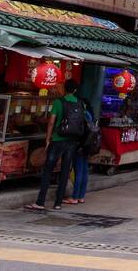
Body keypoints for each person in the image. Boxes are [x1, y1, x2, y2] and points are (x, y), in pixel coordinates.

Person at [26, 79, 84, 211]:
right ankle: (58, 203)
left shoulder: (59, 102)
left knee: (48, 171)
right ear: (75, 90)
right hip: (72, 141)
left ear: (64, 88)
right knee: (64, 172)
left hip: (58, 139)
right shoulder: (80, 103)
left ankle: (40, 202)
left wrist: (47, 139)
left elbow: (51, 122)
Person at [64, 93, 95, 205]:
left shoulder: (82, 115)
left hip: (80, 145)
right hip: (87, 146)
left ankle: (75, 197)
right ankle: (81, 196)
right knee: (84, 170)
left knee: (78, 171)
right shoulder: (90, 115)